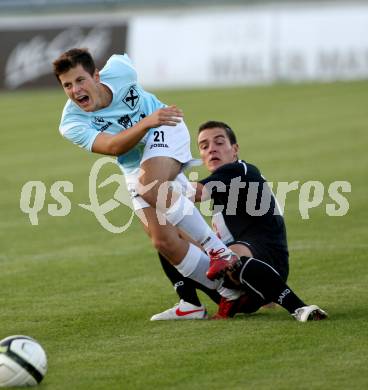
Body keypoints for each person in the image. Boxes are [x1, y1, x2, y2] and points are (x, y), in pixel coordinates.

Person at [52, 48, 241, 305]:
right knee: (163, 240)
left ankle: (219, 250)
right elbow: (113, 147)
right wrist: (144, 122)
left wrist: (153, 120)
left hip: (166, 127)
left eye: (80, 80)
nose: (75, 90)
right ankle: (226, 293)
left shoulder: (120, 70)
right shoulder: (71, 123)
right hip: (134, 162)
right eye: (67, 85)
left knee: (149, 186)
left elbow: (124, 56)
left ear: (96, 76)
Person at [151, 121, 328, 322]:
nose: (211, 150)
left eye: (219, 142)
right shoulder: (221, 188)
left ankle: (300, 308)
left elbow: (195, 193)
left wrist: (156, 175)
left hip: (269, 264)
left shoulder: (240, 171)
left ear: (234, 149)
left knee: (229, 257)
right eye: (204, 146)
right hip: (243, 283)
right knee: (166, 237)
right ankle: (190, 304)